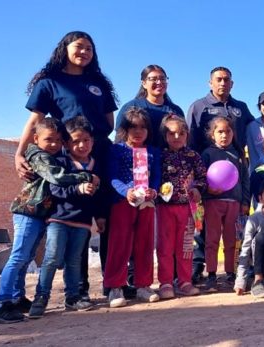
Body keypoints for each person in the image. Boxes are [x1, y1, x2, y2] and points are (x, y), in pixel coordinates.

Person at [17, 31, 117, 301]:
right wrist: (20, 153)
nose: (84, 52)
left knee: (107, 219)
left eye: (89, 48)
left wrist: (94, 142)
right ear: (65, 48)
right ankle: (78, 290)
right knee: (78, 219)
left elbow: (109, 122)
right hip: (70, 157)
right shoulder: (50, 82)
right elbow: (34, 122)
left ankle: (113, 284)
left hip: (100, 152)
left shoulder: (99, 83)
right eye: (79, 46)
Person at [0, 118, 95, 324]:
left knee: (27, 257)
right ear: (36, 139)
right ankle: (1, 304)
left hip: (39, 214)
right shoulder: (39, 156)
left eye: (58, 140)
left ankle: (17, 298)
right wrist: (85, 177)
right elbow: (56, 177)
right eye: (49, 139)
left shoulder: (53, 156)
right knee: (19, 257)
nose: (54, 144)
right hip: (28, 212)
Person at [29, 116, 101, 318]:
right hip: (59, 220)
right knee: (52, 258)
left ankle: (73, 297)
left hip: (83, 223)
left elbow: (99, 197)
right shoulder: (60, 163)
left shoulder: (95, 166)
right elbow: (55, 189)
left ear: (92, 141)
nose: (82, 145)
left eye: (86, 140)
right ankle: (41, 297)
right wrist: (78, 189)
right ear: (66, 144)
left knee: (74, 261)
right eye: (76, 141)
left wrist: (99, 217)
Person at [104, 107, 162, 308]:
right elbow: (112, 177)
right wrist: (125, 191)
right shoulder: (117, 150)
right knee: (119, 244)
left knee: (145, 244)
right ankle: (115, 287)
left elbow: (156, 176)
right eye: (133, 127)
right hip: (123, 203)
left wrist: (154, 191)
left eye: (143, 127)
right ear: (124, 129)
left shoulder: (153, 152)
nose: (138, 131)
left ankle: (143, 285)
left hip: (147, 204)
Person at [156, 115, 207, 299]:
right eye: (171, 133)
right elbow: (153, 178)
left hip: (188, 208)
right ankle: (166, 283)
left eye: (181, 133)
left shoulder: (194, 156)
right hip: (165, 208)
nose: (176, 137)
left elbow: (202, 177)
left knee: (185, 247)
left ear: (187, 135)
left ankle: (185, 281)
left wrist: (197, 189)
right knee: (165, 247)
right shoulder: (159, 156)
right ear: (165, 135)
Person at [201, 116, 251, 292]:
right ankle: (211, 275)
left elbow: (245, 179)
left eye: (228, 131)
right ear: (212, 134)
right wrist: (207, 189)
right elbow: (200, 177)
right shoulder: (207, 154)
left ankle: (231, 273)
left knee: (232, 240)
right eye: (220, 131)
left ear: (233, 133)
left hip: (234, 203)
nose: (224, 135)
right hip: (213, 202)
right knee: (212, 239)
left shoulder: (238, 154)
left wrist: (245, 201)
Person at [187, 67, 256, 154]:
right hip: (207, 159)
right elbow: (190, 138)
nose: (223, 83)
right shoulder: (198, 106)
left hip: (237, 158)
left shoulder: (241, 106)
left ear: (231, 84)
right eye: (219, 80)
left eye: (226, 80)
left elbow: (255, 128)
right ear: (210, 83)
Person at [116, 65, 186, 148]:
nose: (159, 82)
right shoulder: (131, 107)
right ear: (144, 83)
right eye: (153, 79)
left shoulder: (176, 110)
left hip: (169, 156)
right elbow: (120, 137)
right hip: (136, 155)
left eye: (162, 79)